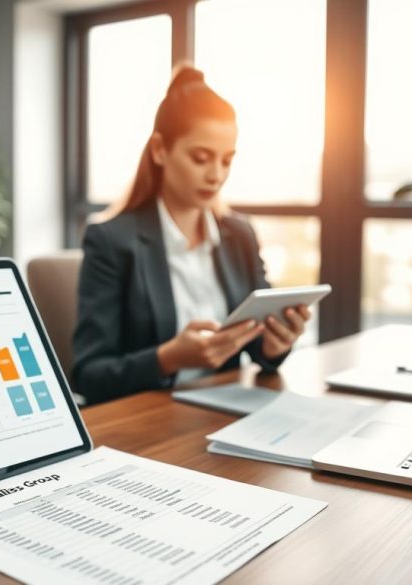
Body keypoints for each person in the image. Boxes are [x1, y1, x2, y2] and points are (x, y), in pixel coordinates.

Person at [72, 65, 311, 405]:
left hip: (223, 413)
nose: (216, 175)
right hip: (147, 423)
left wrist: (276, 344)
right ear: (160, 150)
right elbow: (88, 375)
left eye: (227, 160)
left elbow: (260, 349)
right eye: (201, 158)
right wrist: (168, 357)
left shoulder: (239, 235)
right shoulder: (111, 241)